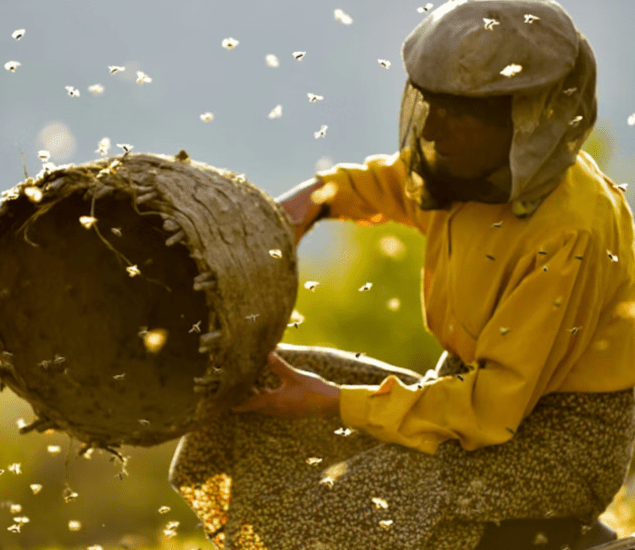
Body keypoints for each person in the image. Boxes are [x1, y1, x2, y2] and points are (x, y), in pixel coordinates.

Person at [169, 1, 635, 548]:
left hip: (554, 446)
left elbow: (489, 410)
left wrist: (328, 401)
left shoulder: (570, 232)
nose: (432, 127)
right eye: (430, 104)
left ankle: (547, 532)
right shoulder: (472, 168)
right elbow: (398, 182)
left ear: (525, 116)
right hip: (470, 402)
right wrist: (311, 204)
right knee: (261, 395)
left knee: (356, 504)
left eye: (456, 112)